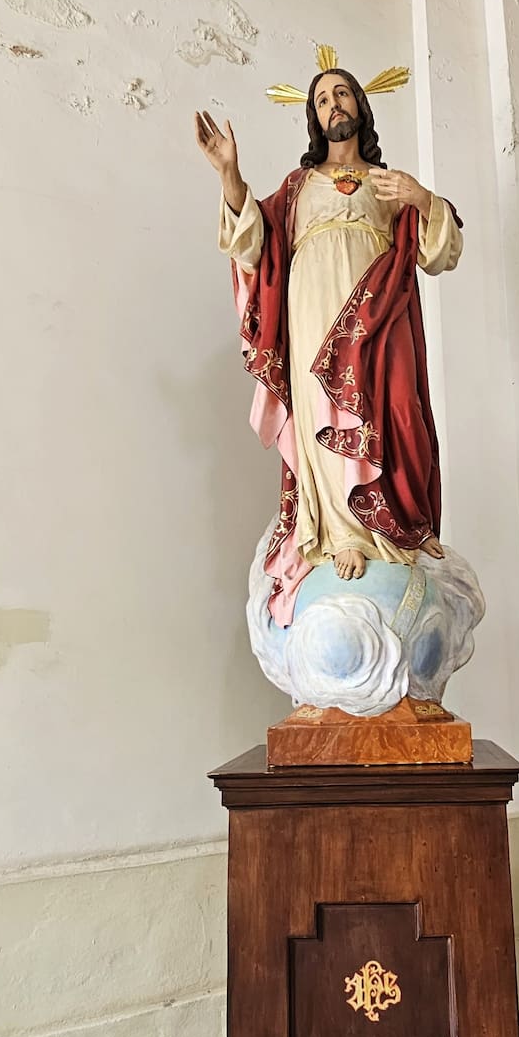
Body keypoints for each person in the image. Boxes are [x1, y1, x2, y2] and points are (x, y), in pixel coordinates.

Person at [196, 59, 462, 624]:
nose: (333, 103)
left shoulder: (389, 186)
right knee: (324, 411)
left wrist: (420, 197)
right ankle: (342, 530)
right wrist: (229, 175)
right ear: (314, 119)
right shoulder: (296, 190)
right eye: (322, 99)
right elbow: (251, 248)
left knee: (397, 412)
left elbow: (441, 252)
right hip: (314, 315)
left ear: (361, 107)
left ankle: (402, 524)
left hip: (382, 321)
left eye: (342, 94)